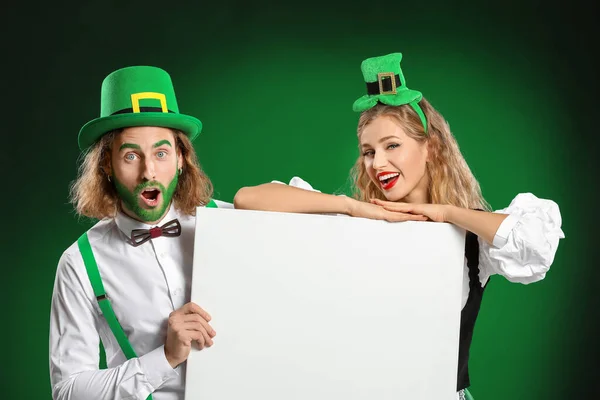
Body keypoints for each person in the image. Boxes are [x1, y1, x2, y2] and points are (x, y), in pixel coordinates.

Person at [233, 52, 565, 399]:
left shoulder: (470, 241)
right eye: (368, 151)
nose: (378, 163)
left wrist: (447, 213)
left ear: (430, 149)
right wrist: (352, 207)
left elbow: (536, 243)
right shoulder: (351, 225)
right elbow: (248, 199)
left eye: (392, 145)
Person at [49, 65, 232, 400]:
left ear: (180, 158)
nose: (149, 171)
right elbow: (68, 390)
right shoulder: (79, 262)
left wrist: (354, 208)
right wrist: (165, 358)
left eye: (161, 153)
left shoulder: (227, 222)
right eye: (131, 155)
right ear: (106, 164)